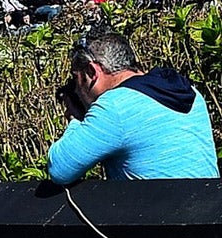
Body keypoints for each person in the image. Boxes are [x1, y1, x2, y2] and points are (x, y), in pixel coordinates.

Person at [48, 31, 219, 183]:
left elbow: (60, 169)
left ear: (92, 72)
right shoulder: (192, 93)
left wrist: (75, 119)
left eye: (76, 80)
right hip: (210, 212)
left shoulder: (115, 106)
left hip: (160, 216)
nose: (77, 91)